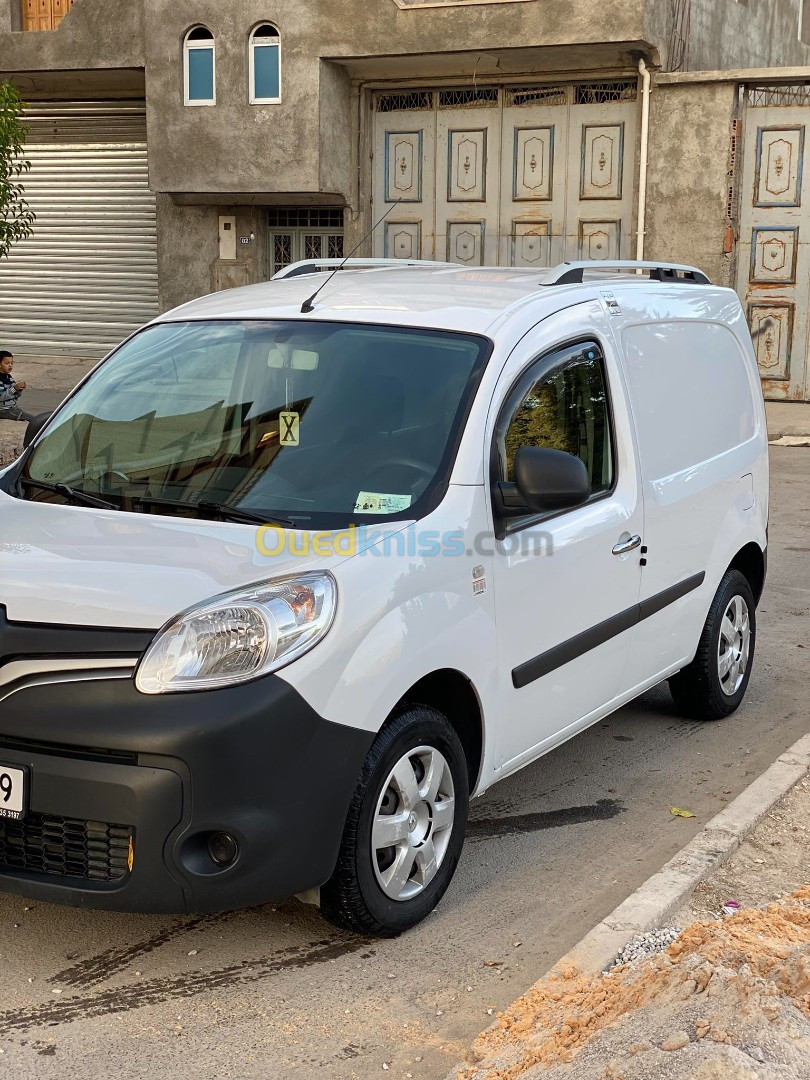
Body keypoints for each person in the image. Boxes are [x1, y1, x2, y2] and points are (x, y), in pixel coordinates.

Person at [0, 351, 34, 423]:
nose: (10, 365)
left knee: (34, 418)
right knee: (33, 420)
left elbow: (15, 395)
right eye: (7, 363)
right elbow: (1, 397)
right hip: (3, 410)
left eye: (12, 363)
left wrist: (19, 389)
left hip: (12, 407)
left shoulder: (8, 377)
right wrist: (14, 388)